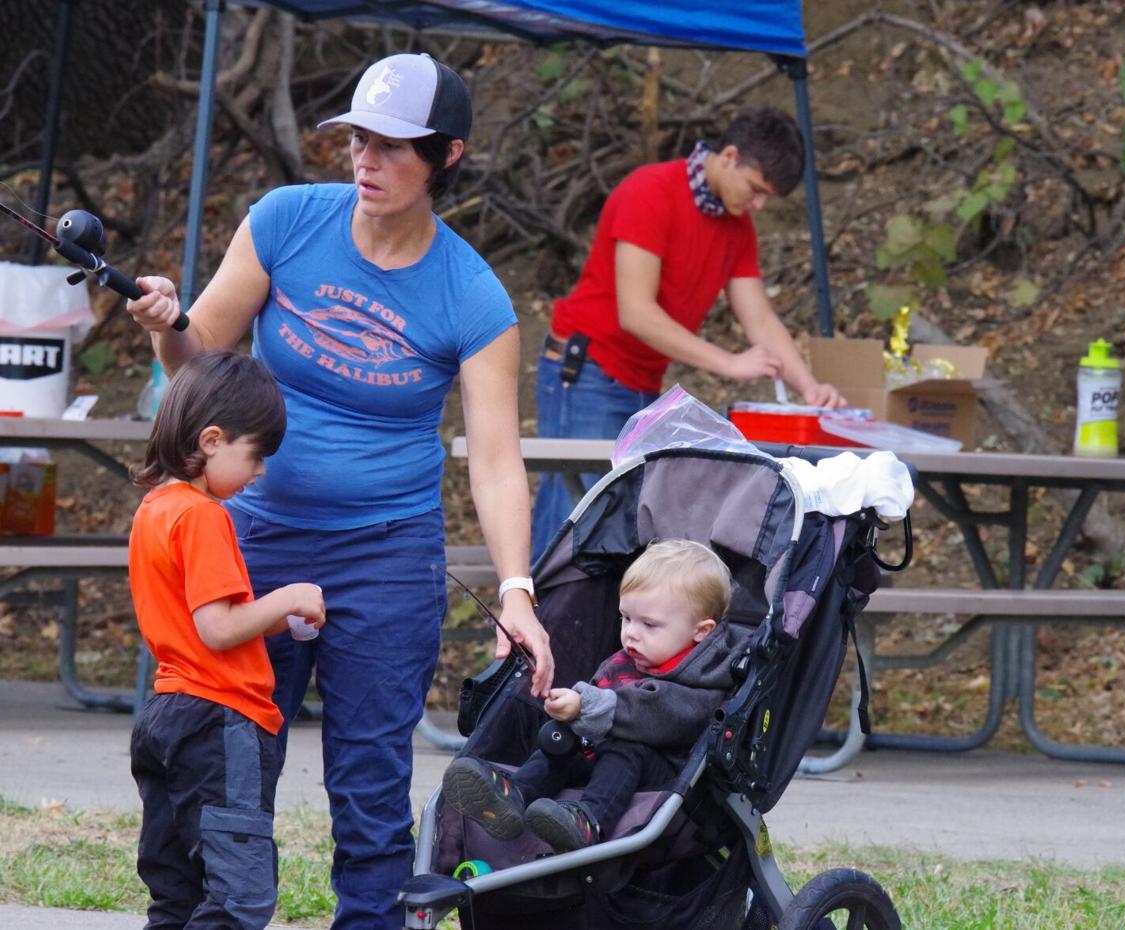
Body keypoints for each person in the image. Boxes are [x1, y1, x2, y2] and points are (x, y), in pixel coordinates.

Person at [125, 52, 554, 930]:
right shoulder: (287, 220)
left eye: (393, 146)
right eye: (358, 139)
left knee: (369, 780)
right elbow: (199, 360)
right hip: (250, 539)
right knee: (229, 763)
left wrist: (517, 590)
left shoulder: (473, 294)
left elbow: (497, 457)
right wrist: (168, 326)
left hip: (385, 556)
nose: (366, 160)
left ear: (447, 157)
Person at [530, 108, 844, 558]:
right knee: (572, 521)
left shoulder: (736, 226)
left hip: (642, 383)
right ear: (730, 156)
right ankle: (530, 626)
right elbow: (635, 312)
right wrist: (728, 362)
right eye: (756, 190)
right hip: (587, 374)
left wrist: (808, 386)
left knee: (623, 532)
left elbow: (759, 318)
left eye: (766, 199)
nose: (758, 205)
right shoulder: (652, 190)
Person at [128, 351, 326, 930]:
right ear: (212, 440)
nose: (261, 471)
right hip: (220, 722)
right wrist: (290, 596)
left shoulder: (154, 510)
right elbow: (218, 631)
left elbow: (205, 620)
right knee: (239, 897)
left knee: (178, 896)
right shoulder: (204, 516)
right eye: (256, 454)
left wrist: (271, 619)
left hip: (167, 716)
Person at [441, 539, 750, 852]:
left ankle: (589, 820)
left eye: (649, 624)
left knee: (627, 746)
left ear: (701, 631)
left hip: (663, 774)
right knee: (561, 739)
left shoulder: (705, 677)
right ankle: (515, 795)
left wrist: (587, 706)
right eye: (625, 618)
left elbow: (660, 713)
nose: (631, 632)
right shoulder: (632, 657)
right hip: (602, 760)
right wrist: (570, 712)